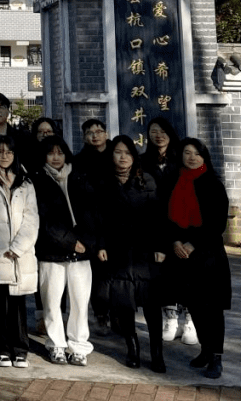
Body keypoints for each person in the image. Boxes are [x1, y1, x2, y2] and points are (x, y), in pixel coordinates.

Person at [162, 138, 231, 380]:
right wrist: (175, 242)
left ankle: (217, 357)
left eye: (196, 153)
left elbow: (217, 224)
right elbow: (168, 219)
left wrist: (193, 243)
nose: (191, 157)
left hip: (208, 255)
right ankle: (205, 350)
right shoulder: (176, 182)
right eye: (186, 153)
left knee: (212, 308)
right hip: (182, 256)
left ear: (204, 156)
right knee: (194, 305)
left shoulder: (213, 184)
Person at [97, 134, 166, 372]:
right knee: (124, 303)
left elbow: (159, 218)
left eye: (127, 152)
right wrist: (101, 245)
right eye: (118, 152)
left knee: (152, 305)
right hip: (118, 252)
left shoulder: (147, 180)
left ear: (134, 156)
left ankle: (157, 353)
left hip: (145, 252)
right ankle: (133, 348)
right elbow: (99, 219)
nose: (123, 157)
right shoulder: (104, 183)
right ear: (111, 155)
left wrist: (160, 246)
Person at [33, 135, 98, 367]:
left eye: (60, 152)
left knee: (80, 302)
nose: (56, 157)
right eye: (51, 153)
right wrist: (70, 242)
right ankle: (56, 345)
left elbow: (92, 212)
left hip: (81, 252)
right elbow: (42, 218)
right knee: (51, 301)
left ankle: (79, 346)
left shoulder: (79, 176)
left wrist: (87, 242)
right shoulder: (37, 180)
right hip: (51, 251)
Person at [0, 135, 38, 368]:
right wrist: (3, 247)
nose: (4, 156)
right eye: (0, 151)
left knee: (18, 304)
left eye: (9, 152)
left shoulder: (26, 182)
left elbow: (32, 218)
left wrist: (18, 247)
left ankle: (20, 349)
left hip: (20, 255)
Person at [141, 117, 195, 346]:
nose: (159, 135)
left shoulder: (182, 160)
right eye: (154, 131)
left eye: (163, 130)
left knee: (188, 273)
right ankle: (170, 318)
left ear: (170, 134)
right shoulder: (143, 161)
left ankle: (190, 320)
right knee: (163, 275)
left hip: (183, 225)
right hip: (156, 226)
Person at [74, 118, 112, 330]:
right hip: (91, 223)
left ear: (106, 133)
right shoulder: (79, 161)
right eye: (90, 132)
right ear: (84, 137)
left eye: (99, 131)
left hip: (117, 222)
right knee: (98, 274)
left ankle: (119, 313)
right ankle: (101, 313)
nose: (95, 135)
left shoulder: (118, 155)